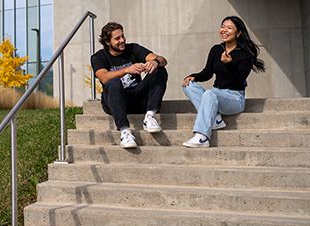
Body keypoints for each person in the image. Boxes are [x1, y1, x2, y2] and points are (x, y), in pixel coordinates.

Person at [182, 16, 265, 148]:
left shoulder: (245, 53)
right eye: (223, 26)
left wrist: (229, 64)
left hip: (235, 97)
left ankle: (202, 137)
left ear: (238, 33)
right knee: (188, 86)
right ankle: (216, 119)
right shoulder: (216, 49)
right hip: (216, 93)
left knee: (209, 94)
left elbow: (238, 80)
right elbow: (207, 73)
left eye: (229, 28)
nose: (224, 30)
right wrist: (193, 76)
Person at [91, 22, 168, 148]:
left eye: (123, 36)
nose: (122, 40)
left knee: (160, 70)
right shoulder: (99, 57)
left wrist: (155, 62)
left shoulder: (133, 48)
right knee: (113, 82)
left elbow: (163, 60)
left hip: (137, 98)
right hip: (115, 101)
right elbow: (104, 77)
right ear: (107, 42)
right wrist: (126, 70)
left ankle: (149, 116)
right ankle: (125, 132)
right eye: (117, 38)